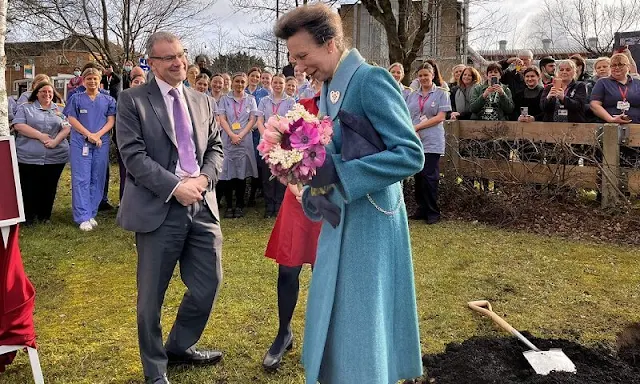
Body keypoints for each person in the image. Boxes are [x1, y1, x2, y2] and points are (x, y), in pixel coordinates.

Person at [275, 4, 425, 383]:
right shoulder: (327, 88)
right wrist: (301, 169)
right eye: (294, 58)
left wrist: (338, 175)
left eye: (302, 55)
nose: (298, 66)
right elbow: (329, 153)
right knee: (337, 313)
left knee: (361, 317)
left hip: (371, 223)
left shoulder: (370, 80)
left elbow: (410, 153)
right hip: (338, 219)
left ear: (330, 42)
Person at [116, 31, 224, 384]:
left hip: (202, 207)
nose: (179, 62)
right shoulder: (133, 101)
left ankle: (179, 347)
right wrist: (176, 186)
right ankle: (155, 370)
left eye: (181, 54)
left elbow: (216, 149)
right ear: (151, 62)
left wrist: (203, 181)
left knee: (209, 284)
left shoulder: (202, 100)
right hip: (158, 208)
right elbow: (133, 156)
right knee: (151, 298)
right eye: (168, 58)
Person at [64, 67, 116, 231]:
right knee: (81, 178)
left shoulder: (108, 100)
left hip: (101, 142)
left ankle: (91, 212)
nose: (92, 81)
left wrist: (98, 135)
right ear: (83, 81)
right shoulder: (76, 99)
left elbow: (111, 120)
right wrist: (88, 135)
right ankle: (82, 216)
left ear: (99, 80)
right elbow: (72, 118)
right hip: (81, 142)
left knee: (97, 177)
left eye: (95, 79)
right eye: (89, 79)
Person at [12, 82, 70, 225]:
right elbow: (19, 125)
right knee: (29, 186)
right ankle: (29, 216)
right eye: (43, 91)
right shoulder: (25, 108)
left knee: (49, 186)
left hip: (55, 157)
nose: (47, 94)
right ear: (36, 93)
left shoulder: (58, 110)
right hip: (28, 157)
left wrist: (55, 141)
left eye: (50, 92)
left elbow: (67, 127)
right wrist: (40, 136)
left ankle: (45, 216)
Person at [406, 62, 451, 224]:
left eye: (426, 75)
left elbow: (440, 117)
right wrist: (412, 130)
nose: (423, 78)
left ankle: (433, 211)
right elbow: (406, 115)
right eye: (420, 75)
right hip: (415, 140)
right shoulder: (412, 95)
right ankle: (421, 209)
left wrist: (416, 126)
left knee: (429, 175)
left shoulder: (441, 93)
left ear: (432, 75)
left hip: (432, 140)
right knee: (418, 175)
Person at [217, 72, 259, 218]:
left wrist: (240, 135)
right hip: (228, 139)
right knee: (227, 172)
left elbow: (252, 119)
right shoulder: (224, 99)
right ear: (232, 82)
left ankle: (240, 205)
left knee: (241, 173)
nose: (239, 84)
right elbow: (222, 118)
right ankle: (229, 206)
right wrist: (232, 135)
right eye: (237, 81)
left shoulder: (251, 100)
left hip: (244, 139)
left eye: (242, 82)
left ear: (246, 83)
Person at [256, 74, 296, 217]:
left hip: (282, 143)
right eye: (275, 82)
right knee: (267, 176)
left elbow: (293, 122)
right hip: (266, 143)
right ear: (271, 83)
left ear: (285, 84)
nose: (278, 85)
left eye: (281, 82)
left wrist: (279, 138)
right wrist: (267, 136)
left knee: (281, 176)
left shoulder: (290, 101)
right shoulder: (264, 101)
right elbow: (260, 120)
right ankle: (269, 206)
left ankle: (279, 205)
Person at [590, 53, 640, 124]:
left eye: (620, 64)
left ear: (628, 66)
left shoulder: (637, 83)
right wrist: (611, 119)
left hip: (636, 124)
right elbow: (594, 105)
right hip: (610, 125)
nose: (617, 67)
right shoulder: (602, 82)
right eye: (613, 65)